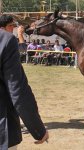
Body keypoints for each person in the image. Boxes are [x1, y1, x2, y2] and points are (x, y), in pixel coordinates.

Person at [0, 14, 49, 150]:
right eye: (12, 26)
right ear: (3, 27)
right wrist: (38, 130)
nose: (14, 29)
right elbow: (17, 92)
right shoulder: (6, 39)